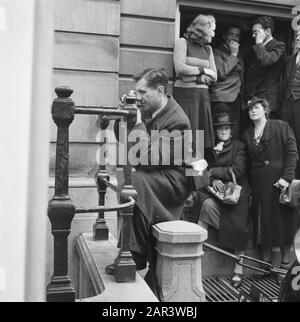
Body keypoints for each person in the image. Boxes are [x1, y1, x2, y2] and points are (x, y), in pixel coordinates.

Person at [107, 69, 197, 299]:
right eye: (136, 92)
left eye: (142, 92)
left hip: (174, 182)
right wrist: (124, 118)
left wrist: (137, 124)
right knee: (132, 181)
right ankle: (131, 250)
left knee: (136, 181)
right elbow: (129, 145)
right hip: (158, 175)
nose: (138, 97)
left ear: (159, 91)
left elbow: (146, 159)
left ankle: (133, 254)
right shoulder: (150, 110)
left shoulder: (178, 120)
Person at [193, 112, 251, 288]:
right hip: (216, 194)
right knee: (205, 205)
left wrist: (213, 173)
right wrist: (213, 179)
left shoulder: (239, 147)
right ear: (216, 131)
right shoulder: (210, 149)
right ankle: (195, 254)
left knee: (239, 227)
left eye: (226, 128)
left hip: (236, 193)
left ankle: (238, 268)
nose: (224, 131)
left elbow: (237, 170)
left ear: (231, 131)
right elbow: (202, 169)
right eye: (220, 129)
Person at [242, 96, 298, 273]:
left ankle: (284, 265)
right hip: (260, 185)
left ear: (265, 110)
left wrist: (286, 177)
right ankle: (265, 265)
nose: (253, 110)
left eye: (257, 107)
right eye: (250, 109)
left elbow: (291, 152)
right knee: (262, 223)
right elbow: (248, 163)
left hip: (281, 184)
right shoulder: (246, 135)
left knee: (284, 224)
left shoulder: (281, 126)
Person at [173, 14, 217, 152]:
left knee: (199, 140)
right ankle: (180, 170)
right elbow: (179, 68)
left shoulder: (208, 49)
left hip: (202, 98)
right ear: (203, 28)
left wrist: (193, 76)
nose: (214, 34)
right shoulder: (182, 42)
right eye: (212, 30)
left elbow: (214, 75)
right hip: (185, 96)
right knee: (184, 136)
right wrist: (202, 71)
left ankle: (196, 171)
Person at [246, 16, 285, 119]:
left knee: (267, 133)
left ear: (267, 31)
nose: (253, 35)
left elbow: (267, 60)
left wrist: (259, 43)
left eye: (256, 32)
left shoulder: (279, 46)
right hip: (254, 101)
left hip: (268, 102)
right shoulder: (256, 48)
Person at [210, 25, 245, 139]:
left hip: (236, 98)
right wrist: (233, 55)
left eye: (237, 35)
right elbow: (221, 73)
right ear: (224, 36)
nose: (234, 37)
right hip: (222, 98)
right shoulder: (216, 52)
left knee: (233, 133)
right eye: (231, 34)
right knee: (221, 132)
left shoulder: (239, 53)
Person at [280, 28, 300, 178]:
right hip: (287, 104)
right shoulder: (289, 60)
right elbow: (282, 84)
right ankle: (289, 177)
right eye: (297, 36)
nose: (298, 38)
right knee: (287, 141)